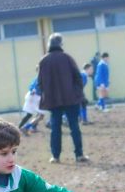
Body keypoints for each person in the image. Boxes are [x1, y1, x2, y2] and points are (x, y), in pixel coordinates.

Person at [38, 33, 89, 163]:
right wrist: (76, 92)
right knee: (74, 127)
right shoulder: (67, 58)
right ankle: (79, 155)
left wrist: (47, 95)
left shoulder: (44, 61)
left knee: (55, 129)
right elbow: (78, 78)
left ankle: (55, 156)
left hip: (53, 101)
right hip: (71, 100)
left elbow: (40, 83)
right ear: (60, 44)